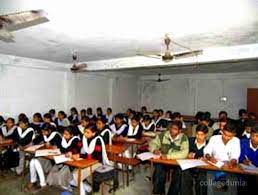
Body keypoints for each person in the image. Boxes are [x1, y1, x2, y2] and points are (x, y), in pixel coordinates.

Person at [149, 121, 189, 195]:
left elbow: (184, 153)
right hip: (163, 161)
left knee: (179, 173)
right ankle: (159, 192)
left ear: (180, 131)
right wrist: (154, 149)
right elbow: (153, 143)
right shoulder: (164, 134)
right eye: (171, 128)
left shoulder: (184, 138)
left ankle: (172, 193)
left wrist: (168, 156)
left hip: (176, 163)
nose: (171, 130)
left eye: (175, 129)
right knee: (158, 169)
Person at [70, 126, 109, 195]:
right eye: (84, 132)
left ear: (93, 133)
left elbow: (95, 157)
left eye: (87, 132)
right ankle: (87, 187)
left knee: (76, 175)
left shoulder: (98, 140)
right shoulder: (85, 138)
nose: (85, 134)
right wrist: (72, 152)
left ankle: (83, 191)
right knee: (73, 173)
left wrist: (80, 155)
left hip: (97, 163)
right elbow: (77, 147)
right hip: (87, 161)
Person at [204, 122, 240, 193]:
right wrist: (210, 157)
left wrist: (232, 162)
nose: (226, 137)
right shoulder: (214, 138)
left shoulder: (236, 140)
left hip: (229, 168)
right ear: (222, 131)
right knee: (211, 182)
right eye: (225, 134)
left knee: (232, 183)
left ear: (234, 135)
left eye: (229, 136)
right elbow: (207, 151)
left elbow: (235, 156)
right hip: (214, 166)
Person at [24, 124, 62, 192]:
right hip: (46, 155)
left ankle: (43, 184)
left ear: (49, 131)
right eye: (42, 132)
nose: (43, 133)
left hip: (55, 159)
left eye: (45, 132)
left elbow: (62, 149)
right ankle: (33, 181)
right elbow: (36, 141)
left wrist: (52, 146)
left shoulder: (56, 135)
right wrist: (33, 143)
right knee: (33, 161)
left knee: (36, 162)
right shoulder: (44, 135)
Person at [181, 124, 208, 195]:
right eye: (197, 134)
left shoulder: (209, 144)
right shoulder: (190, 141)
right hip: (190, 166)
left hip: (202, 169)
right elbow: (183, 152)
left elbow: (209, 157)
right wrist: (187, 154)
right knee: (184, 173)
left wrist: (196, 156)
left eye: (201, 135)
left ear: (206, 135)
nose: (199, 137)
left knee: (202, 179)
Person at [238, 125, 258, 194]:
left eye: (257, 136)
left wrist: (253, 162)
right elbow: (238, 156)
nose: (254, 138)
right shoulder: (243, 142)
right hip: (242, 174)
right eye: (252, 136)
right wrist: (243, 160)